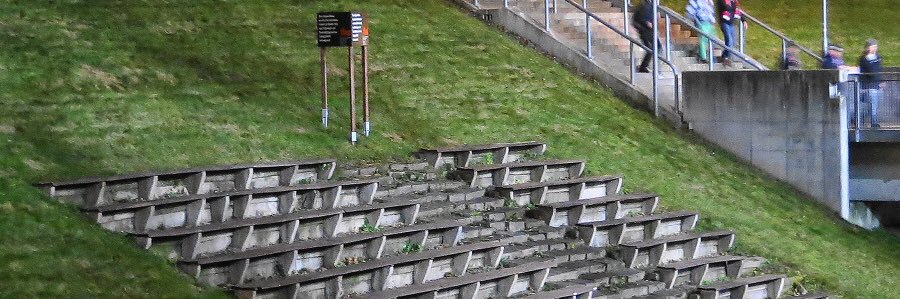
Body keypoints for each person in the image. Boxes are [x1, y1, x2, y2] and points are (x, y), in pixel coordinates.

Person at [858, 39, 883, 128]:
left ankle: (862, 119)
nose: (874, 49)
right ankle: (872, 123)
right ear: (868, 48)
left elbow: (879, 70)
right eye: (872, 47)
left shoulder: (877, 57)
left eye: (875, 47)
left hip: (876, 85)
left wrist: (880, 81)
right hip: (867, 86)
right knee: (870, 105)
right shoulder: (864, 58)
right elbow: (870, 71)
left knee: (873, 105)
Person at [633, 0, 661, 73]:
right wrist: (646, 22)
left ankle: (644, 66)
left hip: (650, 30)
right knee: (652, 48)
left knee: (656, 47)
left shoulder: (650, 5)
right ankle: (643, 67)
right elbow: (636, 19)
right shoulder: (644, 5)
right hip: (645, 30)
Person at [716, 0, 746, 65]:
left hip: (731, 24)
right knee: (729, 41)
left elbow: (738, 11)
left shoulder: (733, 2)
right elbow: (723, 8)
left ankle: (724, 56)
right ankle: (725, 57)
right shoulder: (722, 1)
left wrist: (743, 20)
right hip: (724, 23)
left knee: (733, 42)